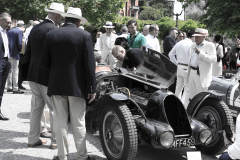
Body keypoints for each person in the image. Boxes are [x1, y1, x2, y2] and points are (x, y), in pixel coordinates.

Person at [40, 7, 96, 160]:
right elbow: (90, 65)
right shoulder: (85, 35)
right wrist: (92, 87)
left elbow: (44, 62)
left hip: (57, 83)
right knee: (78, 122)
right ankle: (82, 156)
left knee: (59, 121)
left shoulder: (51, 34)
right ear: (78, 21)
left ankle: (61, 155)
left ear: (65, 19)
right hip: (78, 85)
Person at [22, 2, 65, 148]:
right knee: (54, 109)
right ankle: (55, 142)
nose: (62, 20)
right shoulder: (54, 30)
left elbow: (28, 51)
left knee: (36, 108)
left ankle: (32, 138)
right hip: (48, 76)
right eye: (62, 17)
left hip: (33, 73)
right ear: (58, 15)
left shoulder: (35, 28)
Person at [185, 28, 216, 107]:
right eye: (195, 36)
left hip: (201, 74)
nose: (196, 38)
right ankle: (191, 113)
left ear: (204, 37)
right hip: (192, 71)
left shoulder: (210, 45)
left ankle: (199, 114)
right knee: (191, 96)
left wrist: (201, 54)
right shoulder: (193, 45)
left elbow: (213, 59)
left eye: (198, 36)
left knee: (200, 96)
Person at [169, 30, 195, 102]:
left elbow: (170, 54)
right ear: (193, 36)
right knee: (187, 89)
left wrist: (176, 63)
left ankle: (176, 104)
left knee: (178, 88)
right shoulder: (191, 44)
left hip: (179, 67)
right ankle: (183, 106)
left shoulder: (179, 43)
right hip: (187, 67)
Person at [6, 20, 25, 94]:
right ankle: (15, 88)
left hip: (8, 52)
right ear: (22, 26)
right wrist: (21, 50)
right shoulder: (19, 31)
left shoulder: (10, 31)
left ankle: (9, 87)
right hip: (15, 53)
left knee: (10, 71)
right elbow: (20, 43)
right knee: (15, 70)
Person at [0, 13, 12, 120]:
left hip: (6, 62)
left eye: (10, 22)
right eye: (7, 22)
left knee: (1, 89)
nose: (9, 24)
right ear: (1, 20)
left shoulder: (6, 32)